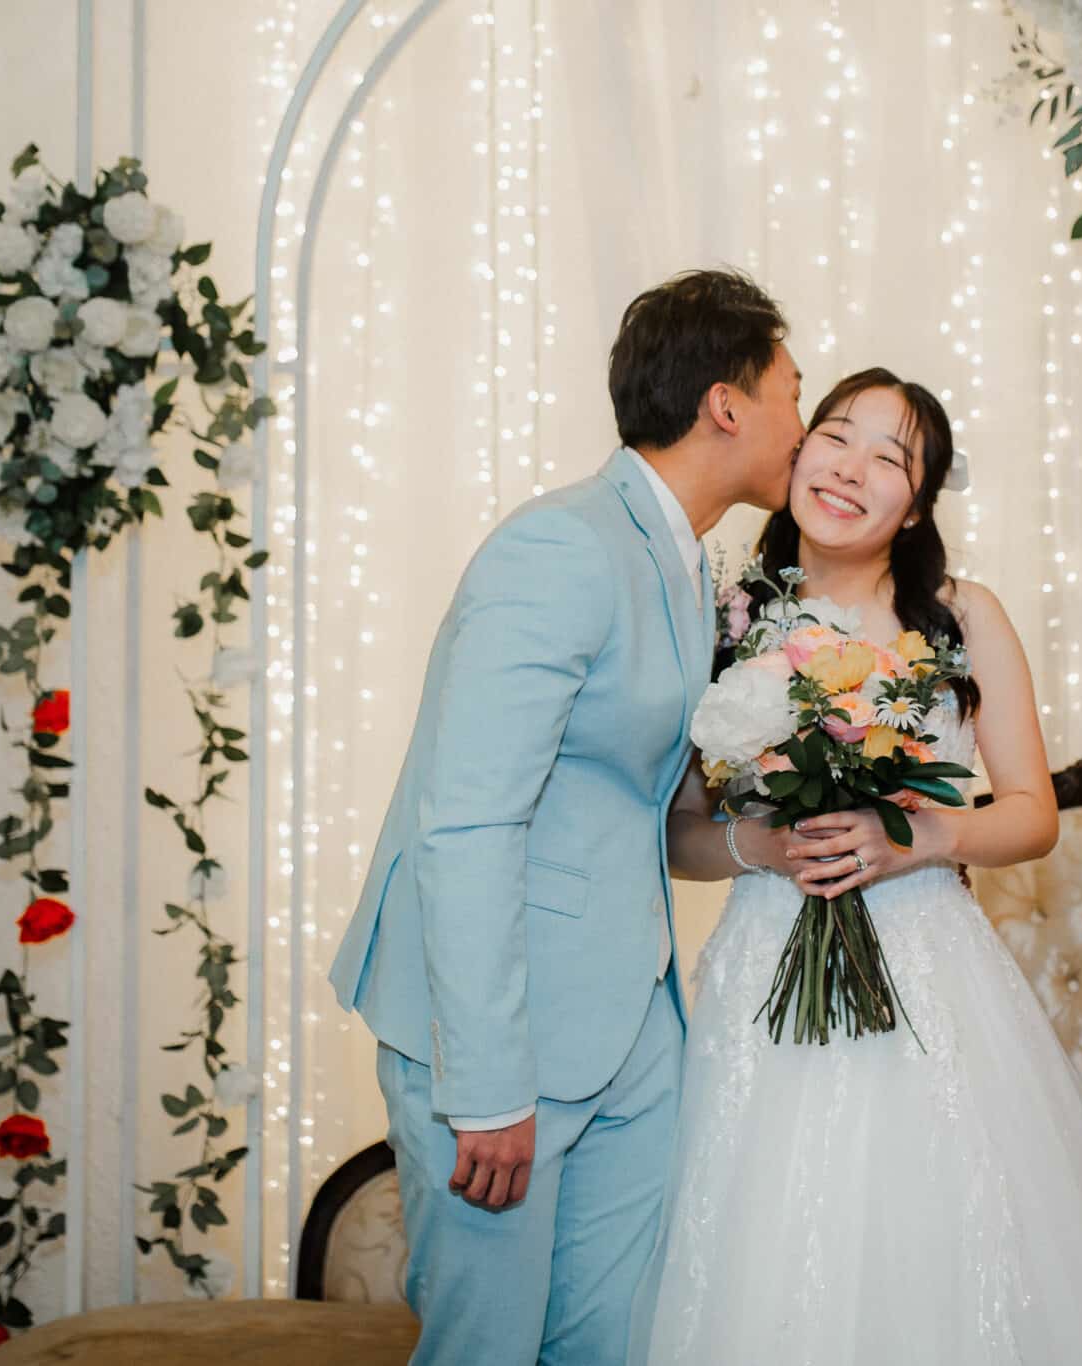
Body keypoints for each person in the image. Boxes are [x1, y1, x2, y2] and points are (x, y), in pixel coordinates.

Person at [631, 369, 1082, 1363]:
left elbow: (1031, 812)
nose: (849, 469)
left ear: (918, 500)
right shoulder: (721, 617)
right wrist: (756, 846)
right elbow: (677, 831)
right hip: (764, 972)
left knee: (939, 1247)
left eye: (888, 458)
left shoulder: (958, 616)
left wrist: (918, 840)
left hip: (929, 975)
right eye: (835, 437)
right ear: (798, 449)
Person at [327, 269, 805, 1364]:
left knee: (611, 1346)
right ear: (724, 405)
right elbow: (466, 825)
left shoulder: (688, 566)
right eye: (790, 387)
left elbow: (632, 804)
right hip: (501, 1032)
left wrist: (777, 830)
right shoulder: (559, 549)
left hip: (632, 1024)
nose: (801, 420)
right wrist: (485, 1081)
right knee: (485, 1348)